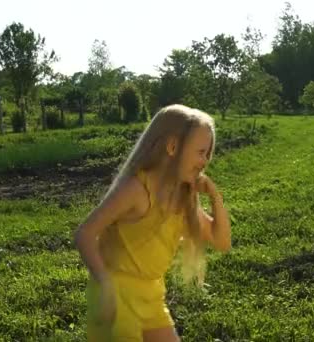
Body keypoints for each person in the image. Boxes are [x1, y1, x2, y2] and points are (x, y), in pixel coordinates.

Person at [75, 104, 231, 341]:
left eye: (208, 154)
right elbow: (85, 234)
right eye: (200, 152)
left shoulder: (183, 196)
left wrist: (215, 197)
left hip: (152, 295)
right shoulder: (136, 190)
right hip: (118, 296)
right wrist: (104, 283)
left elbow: (222, 242)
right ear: (172, 147)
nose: (205, 161)